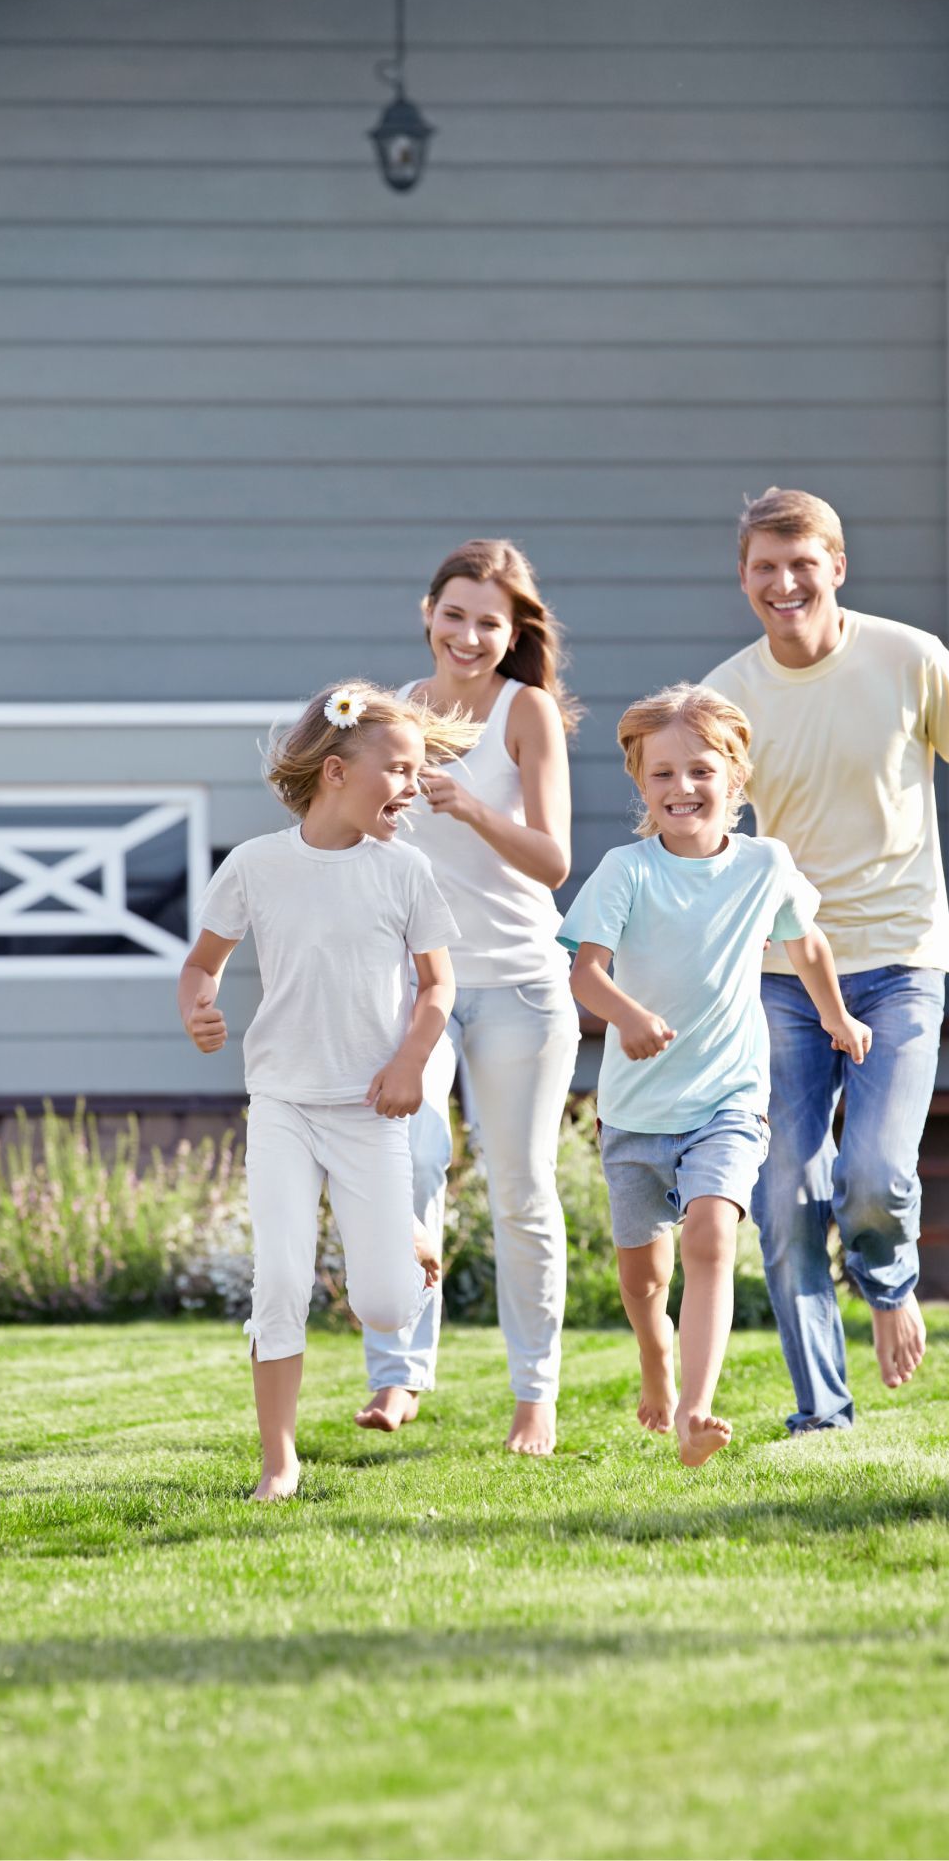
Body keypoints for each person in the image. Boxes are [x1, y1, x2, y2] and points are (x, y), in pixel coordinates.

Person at [704, 488, 949, 1435]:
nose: (784, 584)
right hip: (782, 975)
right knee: (782, 1195)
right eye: (764, 567)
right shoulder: (727, 698)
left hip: (902, 961)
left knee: (872, 1172)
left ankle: (889, 1283)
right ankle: (820, 1414)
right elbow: (702, 835)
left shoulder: (909, 658)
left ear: (836, 565)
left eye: (802, 564)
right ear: (743, 575)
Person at [178, 680, 477, 1500]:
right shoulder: (255, 866)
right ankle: (279, 1461)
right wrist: (198, 1008)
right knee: (279, 1282)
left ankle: (413, 1235)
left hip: (369, 1108)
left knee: (384, 1308)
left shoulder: (405, 871)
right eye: (400, 769)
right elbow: (203, 963)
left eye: (418, 770)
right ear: (337, 770)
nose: (412, 786)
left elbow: (437, 988)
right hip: (281, 1103)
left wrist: (412, 1060)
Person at [559, 684, 871, 1467]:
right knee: (643, 1277)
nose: (681, 788)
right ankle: (655, 1358)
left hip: (729, 1097)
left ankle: (697, 1411)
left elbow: (808, 945)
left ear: (735, 779)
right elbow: (585, 973)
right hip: (635, 1110)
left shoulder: (766, 865)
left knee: (709, 1236)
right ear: (640, 782)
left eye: (700, 770)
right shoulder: (625, 871)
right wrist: (626, 1016)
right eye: (661, 773)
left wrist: (835, 1015)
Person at [355, 539, 582, 1458]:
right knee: (406, 1168)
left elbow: (554, 860)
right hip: (423, 985)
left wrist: (474, 807)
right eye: (455, 614)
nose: (470, 635)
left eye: (491, 621)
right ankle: (398, 1372)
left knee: (521, 1191)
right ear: (428, 612)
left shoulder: (525, 712)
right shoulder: (397, 711)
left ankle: (535, 1397)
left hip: (522, 982)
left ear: (514, 631)